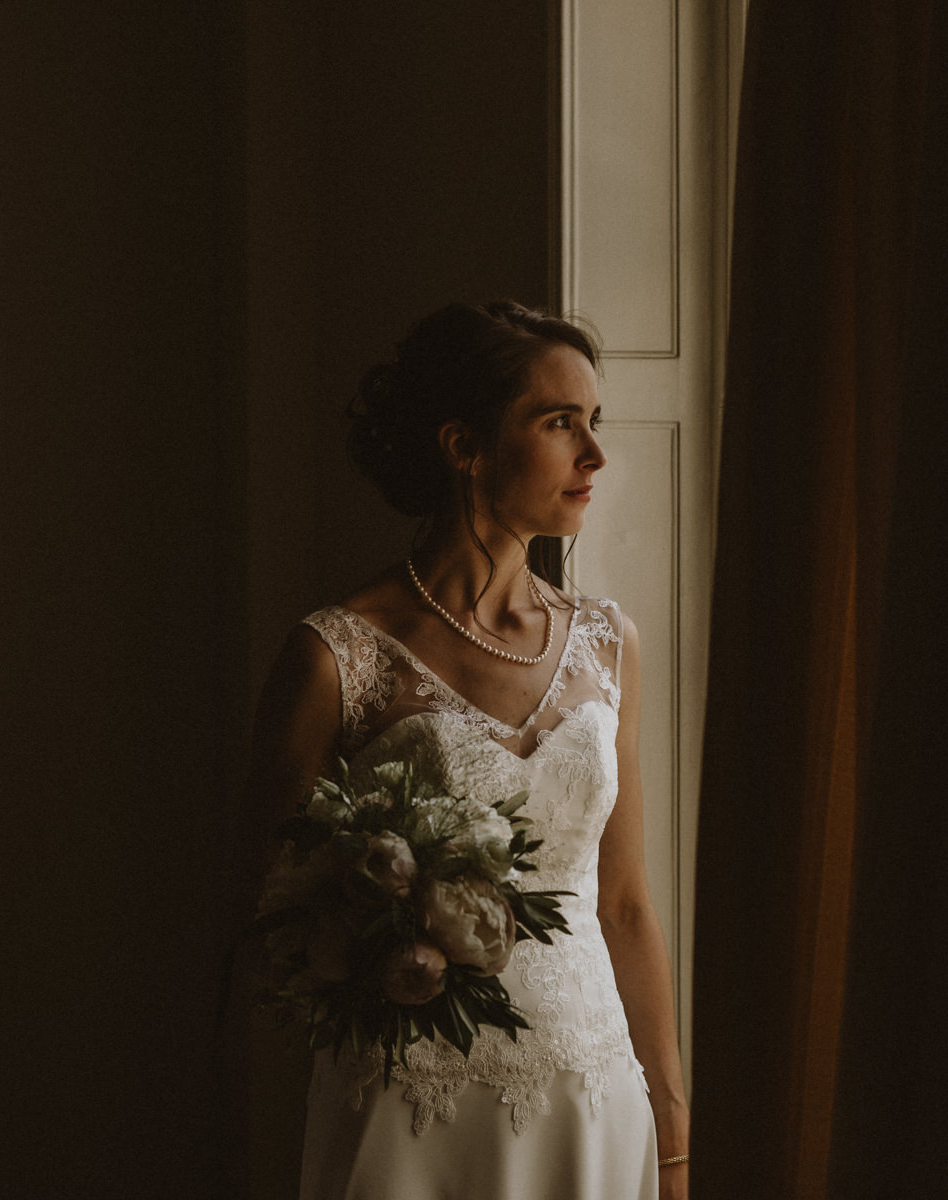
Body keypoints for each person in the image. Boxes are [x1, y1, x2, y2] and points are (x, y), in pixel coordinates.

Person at [244, 300, 690, 1199]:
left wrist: (672, 1125)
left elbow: (628, 904)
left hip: (589, 1092)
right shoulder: (336, 655)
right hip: (413, 1105)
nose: (594, 455)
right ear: (464, 445)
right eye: (559, 423)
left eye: (592, 424)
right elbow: (268, 925)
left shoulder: (608, 643)